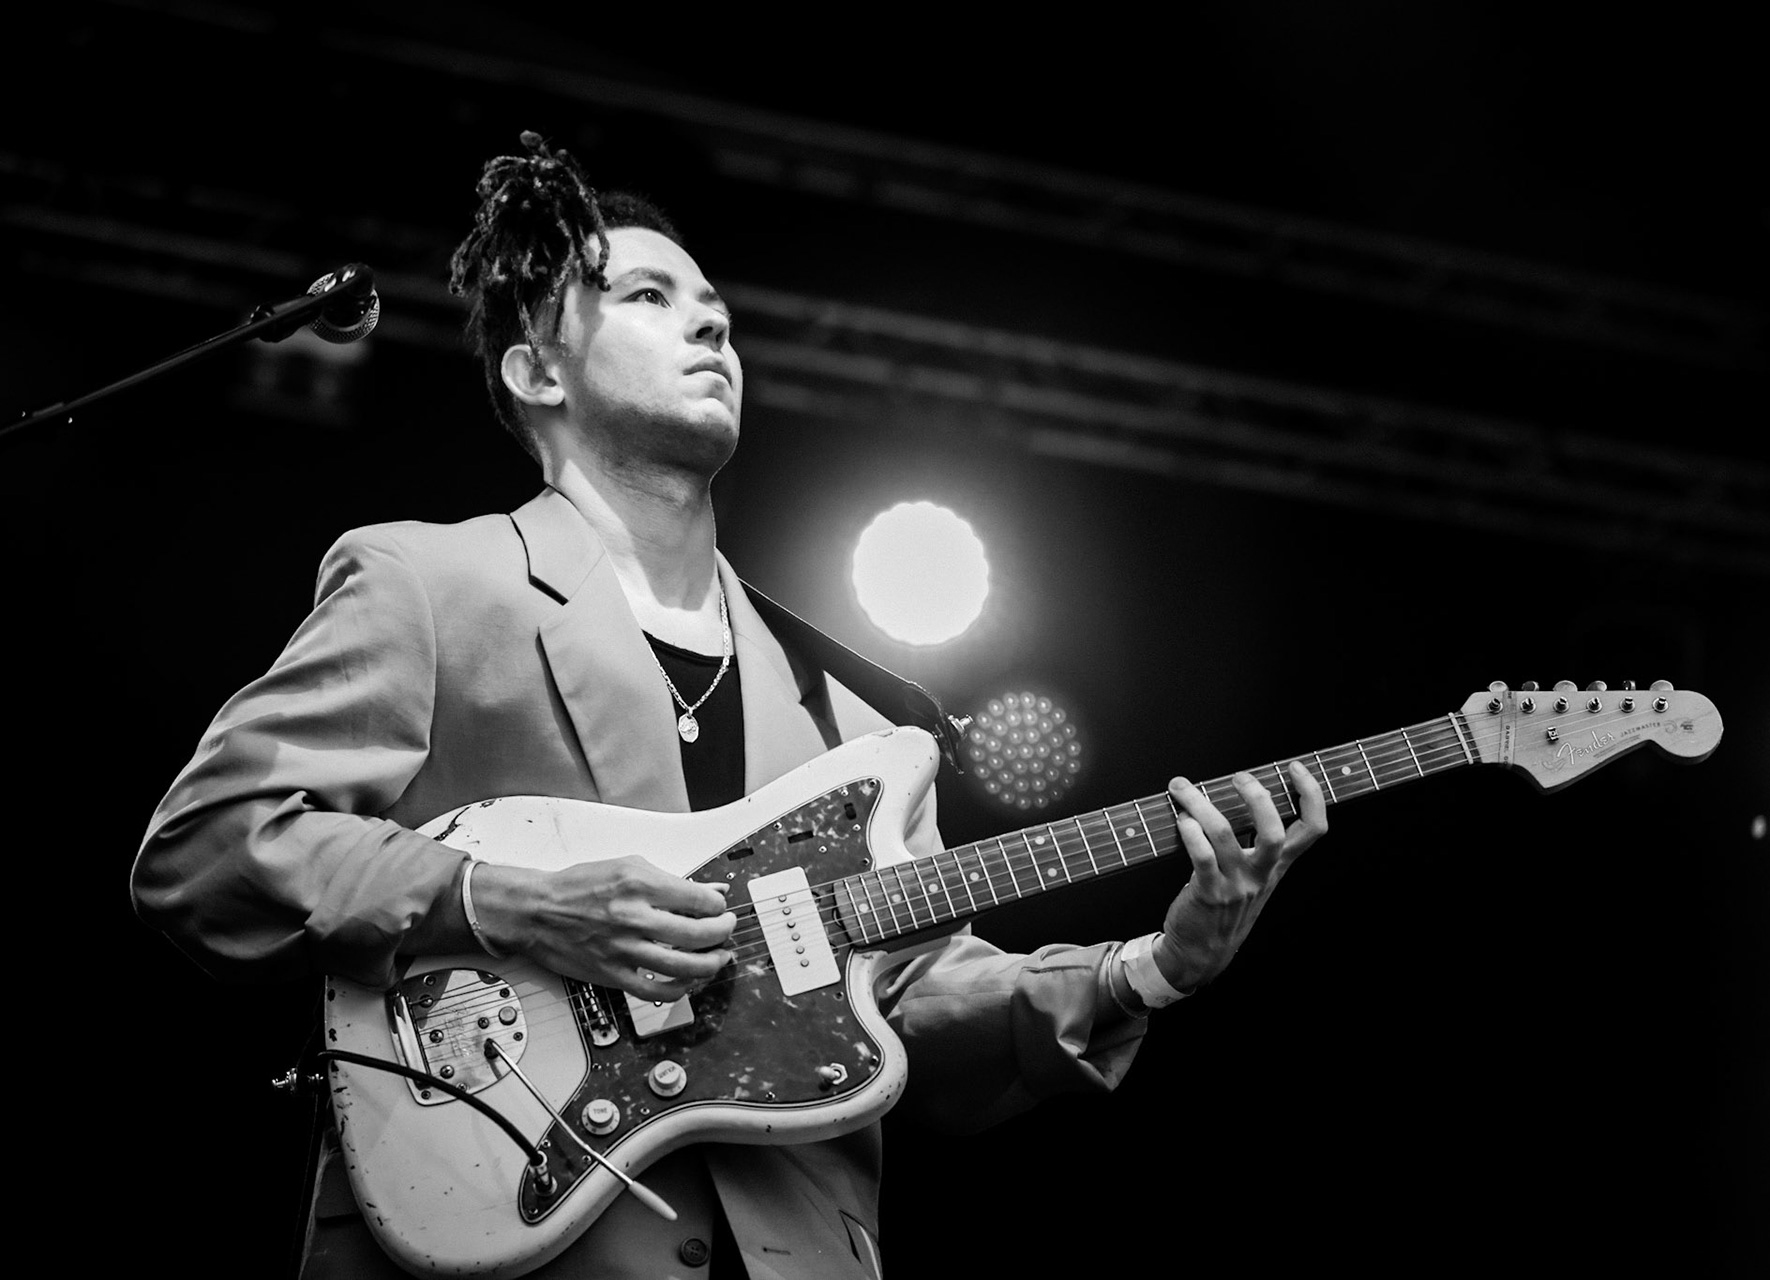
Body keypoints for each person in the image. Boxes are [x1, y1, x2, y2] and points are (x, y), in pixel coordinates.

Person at [130, 132, 1327, 1280]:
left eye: (717, 310)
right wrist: (506, 906)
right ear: (537, 369)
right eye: (649, 296)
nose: (709, 321)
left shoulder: (860, 716)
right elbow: (208, 851)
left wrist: (1152, 967)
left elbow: (915, 1009)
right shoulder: (432, 584)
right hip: (489, 1235)